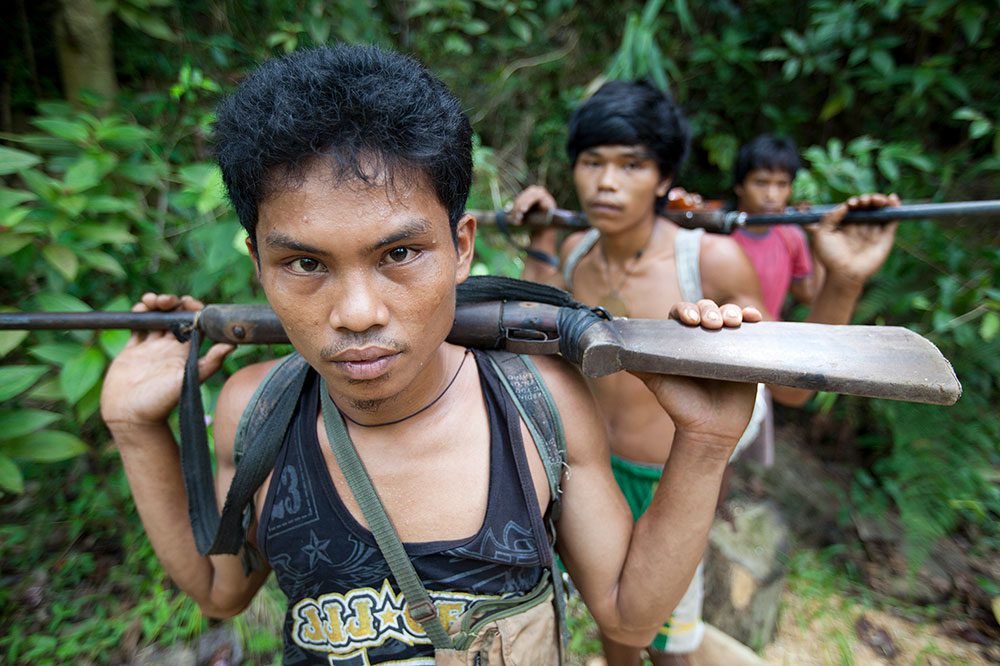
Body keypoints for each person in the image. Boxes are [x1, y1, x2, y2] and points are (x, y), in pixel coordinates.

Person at [100, 46, 763, 665]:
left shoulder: (538, 406)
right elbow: (222, 590)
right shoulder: (259, 412)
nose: (358, 313)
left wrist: (703, 442)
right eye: (305, 262)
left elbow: (627, 618)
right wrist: (136, 431)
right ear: (259, 263)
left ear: (462, 246)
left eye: (399, 254)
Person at [512, 80, 898, 665]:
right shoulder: (573, 254)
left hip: (668, 487)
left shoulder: (708, 258)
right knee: (615, 633)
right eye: (592, 162)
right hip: (589, 477)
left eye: (632, 165)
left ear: (664, 179)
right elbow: (530, 341)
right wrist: (539, 240)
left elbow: (790, 391)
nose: (607, 182)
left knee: (668, 645)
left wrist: (841, 282)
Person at [730, 134, 820, 319]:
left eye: (781, 184)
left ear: (791, 188)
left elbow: (809, 295)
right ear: (740, 186)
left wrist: (820, 238)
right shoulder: (719, 237)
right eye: (761, 183)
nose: (771, 195)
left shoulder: (791, 236)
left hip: (770, 340)